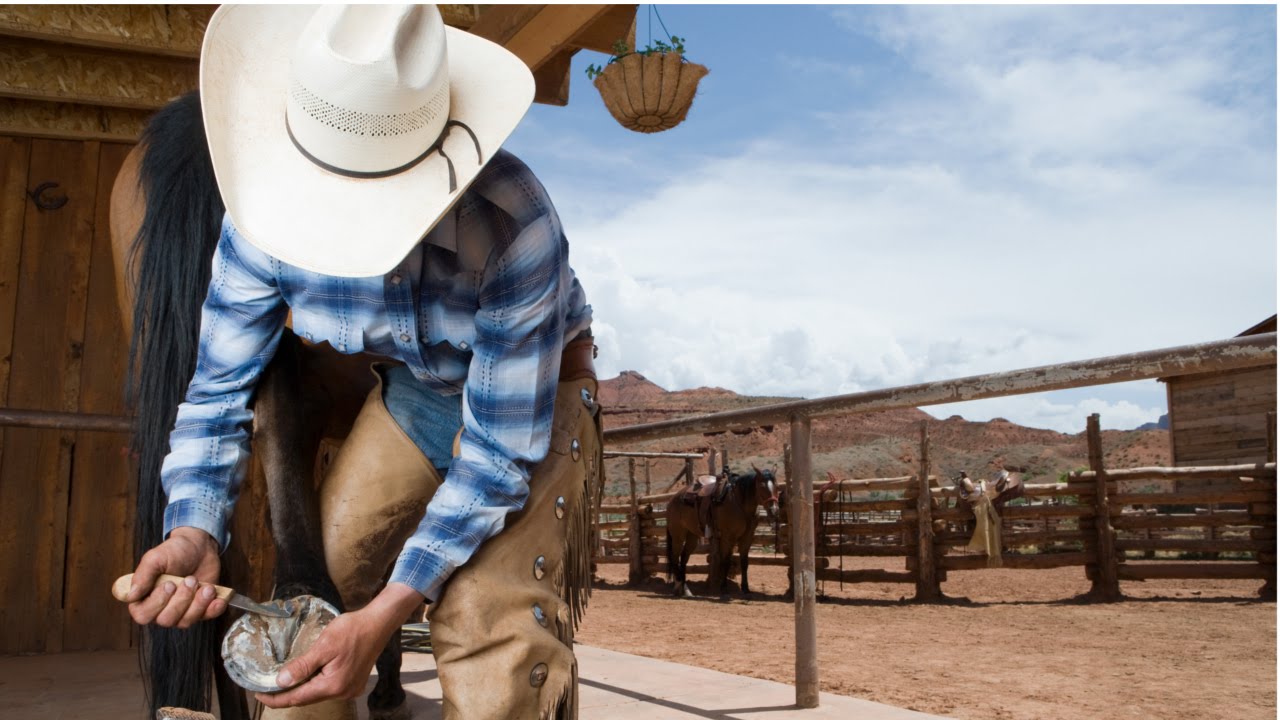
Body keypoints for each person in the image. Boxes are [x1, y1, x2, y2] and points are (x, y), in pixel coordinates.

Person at [120, 5, 601, 719]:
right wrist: (192, 528)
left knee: (483, 624)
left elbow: (497, 456)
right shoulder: (259, 221)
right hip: (415, 389)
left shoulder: (513, 221)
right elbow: (217, 393)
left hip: (533, 396)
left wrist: (389, 615)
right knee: (307, 622)